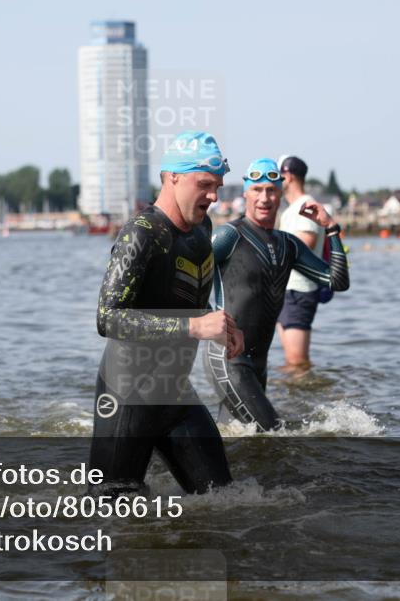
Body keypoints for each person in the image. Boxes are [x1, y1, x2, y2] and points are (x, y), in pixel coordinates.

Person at [89, 131, 243, 496]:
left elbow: (177, 295)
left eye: (218, 186)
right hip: (128, 397)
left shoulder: (201, 229)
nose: (213, 196)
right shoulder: (141, 233)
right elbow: (108, 318)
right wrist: (195, 326)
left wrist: (222, 324)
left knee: (226, 505)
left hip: (175, 394)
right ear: (173, 177)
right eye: (204, 184)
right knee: (110, 515)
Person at [207, 158, 350, 431]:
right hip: (227, 360)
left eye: (271, 190)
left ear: (280, 193)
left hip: (258, 365)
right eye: (257, 190)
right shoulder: (229, 235)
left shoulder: (289, 245)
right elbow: (191, 278)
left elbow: (337, 281)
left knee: (238, 440)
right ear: (246, 194)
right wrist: (207, 318)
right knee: (275, 435)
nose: (264, 198)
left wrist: (331, 228)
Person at [273, 156, 334, 368]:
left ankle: (308, 397)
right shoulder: (293, 208)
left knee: (297, 362)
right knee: (292, 362)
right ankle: (294, 398)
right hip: (289, 290)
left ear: (287, 177)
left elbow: (305, 243)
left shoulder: (304, 206)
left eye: (277, 176)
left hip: (299, 291)